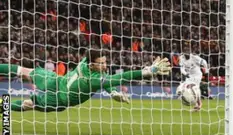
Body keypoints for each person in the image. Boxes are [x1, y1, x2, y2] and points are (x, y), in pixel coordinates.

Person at [0, 50, 170, 112]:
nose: (104, 66)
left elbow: (107, 82)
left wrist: (112, 92)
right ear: (92, 64)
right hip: (60, 98)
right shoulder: (91, 81)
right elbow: (121, 77)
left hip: (58, 81)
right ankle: (2, 107)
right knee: (29, 103)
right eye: (101, 63)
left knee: (24, 72)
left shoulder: (84, 62)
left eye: (105, 62)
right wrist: (148, 71)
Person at [179, 45, 209, 111]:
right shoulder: (181, 58)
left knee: (194, 88)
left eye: (188, 52)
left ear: (190, 52)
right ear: (183, 52)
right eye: (185, 52)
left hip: (197, 75)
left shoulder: (194, 57)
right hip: (189, 76)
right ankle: (196, 103)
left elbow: (204, 62)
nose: (187, 53)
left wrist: (206, 71)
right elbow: (182, 69)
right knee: (186, 88)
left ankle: (199, 104)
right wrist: (185, 74)